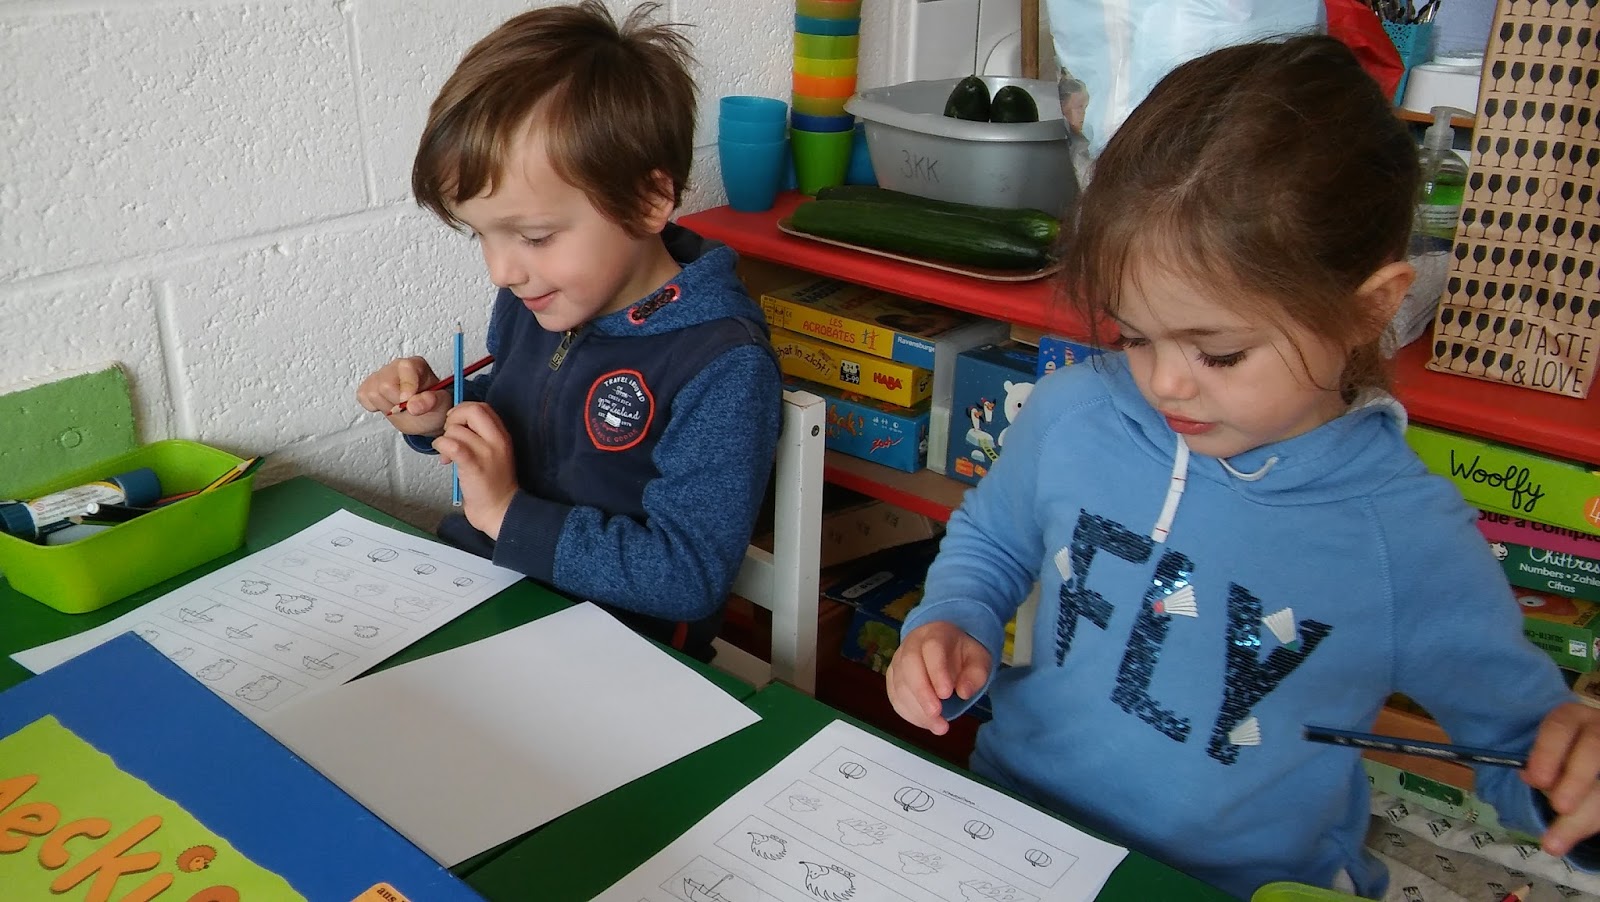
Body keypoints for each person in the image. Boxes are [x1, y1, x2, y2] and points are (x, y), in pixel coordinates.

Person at [885, 34, 1600, 899]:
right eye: (1134, 336)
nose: (1165, 383)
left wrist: (1574, 778)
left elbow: (1521, 749)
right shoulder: (1076, 411)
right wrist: (952, 621)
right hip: (1019, 829)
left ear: (1369, 309)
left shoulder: (1406, 537)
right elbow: (993, 542)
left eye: (1219, 353)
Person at [356, 1, 782, 662]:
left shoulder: (721, 364)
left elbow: (689, 576)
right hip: (489, 595)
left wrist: (504, 513)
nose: (501, 271)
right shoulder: (540, 297)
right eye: (481, 235)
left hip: (618, 652)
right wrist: (442, 416)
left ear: (649, 200)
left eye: (532, 236)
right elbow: (531, 413)